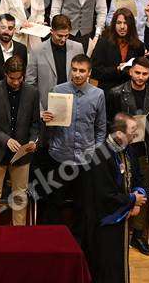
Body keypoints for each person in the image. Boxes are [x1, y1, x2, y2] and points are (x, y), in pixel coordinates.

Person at [35, 54, 106, 233]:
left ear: (89, 73)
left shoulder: (98, 94)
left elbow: (101, 128)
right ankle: (53, 241)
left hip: (85, 159)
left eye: (82, 70)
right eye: (74, 70)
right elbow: (49, 125)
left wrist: (96, 151)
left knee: (83, 207)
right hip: (59, 156)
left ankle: (79, 243)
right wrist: (46, 118)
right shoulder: (58, 90)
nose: (77, 74)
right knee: (54, 204)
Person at [106, 57, 149, 255]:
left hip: (144, 151)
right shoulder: (116, 93)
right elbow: (109, 122)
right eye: (137, 72)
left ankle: (138, 236)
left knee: (142, 192)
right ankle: (114, 230)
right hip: (120, 150)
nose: (140, 77)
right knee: (117, 189)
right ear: (130, 71)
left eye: (144, 74)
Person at [85, 113, 147, 283]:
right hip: (105, 220)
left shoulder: (129, 150)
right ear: (119, 133)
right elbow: (105, 195)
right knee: (108, 265)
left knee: (120, 262)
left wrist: (137, 200)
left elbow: (139, 178)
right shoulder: (100, 155)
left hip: (124, 215)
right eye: (132, 130)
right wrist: (132, 200)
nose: (135, 134)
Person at [0, 56, 39, 226]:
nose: (16, 82)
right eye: (12, 78)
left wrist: (33, 141)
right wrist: (6, 140)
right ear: (5, 74)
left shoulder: (32, 92)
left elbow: (35, 123)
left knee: (20, 197)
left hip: (22, 153)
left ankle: (18, 235)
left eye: (19, 78)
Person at [26, 14, 84, 111]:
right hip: (46, 106)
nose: (63, 39)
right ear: (51, 31)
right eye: (60, 36)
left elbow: (83, 78)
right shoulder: (37, 50)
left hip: (73, 104)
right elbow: (30, 83)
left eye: (66, 35)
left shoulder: (78, 48)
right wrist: (39, 108)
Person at [92, 8, 146, 92]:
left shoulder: (139, 46)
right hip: (108, 91)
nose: (122, 27)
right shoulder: (103, 43)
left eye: (126, 23)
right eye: (119, 23)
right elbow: (95, 71)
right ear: (114, 24)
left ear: (131, 25)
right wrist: (116, 69)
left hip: (130, 92)